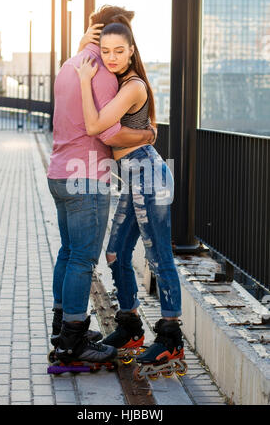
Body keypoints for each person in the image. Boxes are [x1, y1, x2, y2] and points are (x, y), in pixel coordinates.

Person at [47, 5, 156, 366]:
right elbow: (109, 132)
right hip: (86, 177)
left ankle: (64, 326)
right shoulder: (105, 75)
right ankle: (73, 343)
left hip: (59, 173)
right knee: (82, 258)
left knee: (68, 252)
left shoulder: (69, 64)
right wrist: (147, 133)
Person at [74, 18, 185, 370]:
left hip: (149, 174)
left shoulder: (133, 85)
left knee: (158, 253)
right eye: (105, 51)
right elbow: (110, 132)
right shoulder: (117, 83)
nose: (111, 57)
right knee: (114, 254)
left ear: (132, 51)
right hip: (133, 175)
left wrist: (82, 78)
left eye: (119, 51)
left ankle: (170, 337)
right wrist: (82, 50)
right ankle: (131, 326)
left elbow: (96, 127)